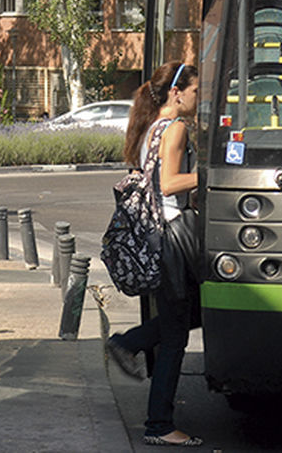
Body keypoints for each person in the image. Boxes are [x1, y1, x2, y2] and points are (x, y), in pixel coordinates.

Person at [104, 61, 203, 448]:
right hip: (173, 240)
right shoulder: (175, 127)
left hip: (155, 237)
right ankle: (159, 424)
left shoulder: (151, 128)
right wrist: (209, 174)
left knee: (185, 319)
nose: (198, 98)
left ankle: (129, 344)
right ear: (177, 93)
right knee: (178, 332)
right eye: (195, 91)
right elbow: (168, 183)